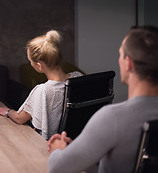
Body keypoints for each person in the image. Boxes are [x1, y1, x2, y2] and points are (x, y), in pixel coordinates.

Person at [47, 26, 158, 173]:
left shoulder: (112, 118)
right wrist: (84, 150)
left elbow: (58, 168)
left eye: (121, 54)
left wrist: (58, 150)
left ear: (128, 63)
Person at [0, 30, 82, 139]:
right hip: (76, 138)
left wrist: (8, 111)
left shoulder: (43, 90)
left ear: (39, 66)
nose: (30, 64)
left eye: (30, 61)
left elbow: (19, 118)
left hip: (50, 144)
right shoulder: (78, 77)